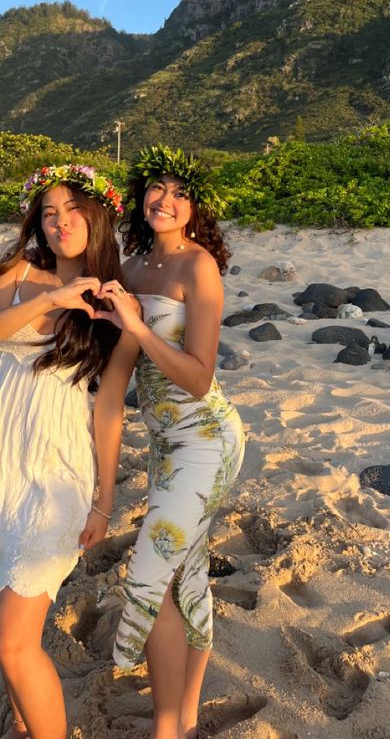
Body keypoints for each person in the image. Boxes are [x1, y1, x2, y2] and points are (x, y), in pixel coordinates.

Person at [0, 164, 138, 739]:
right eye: (49, 211)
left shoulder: (115, 303)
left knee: (13, 640)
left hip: (55, 468)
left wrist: (104, 502)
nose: (60, 222)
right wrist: (54, 296)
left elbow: (110, 409)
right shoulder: (18, 272)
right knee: (6, 627)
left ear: (98, 215)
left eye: (73, 209)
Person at [95, 146, 245, 739]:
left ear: (194, 209)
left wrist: (135, 326)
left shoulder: (197, 267)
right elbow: (119, 367)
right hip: (164, 446)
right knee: (187, 573)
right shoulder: (131, 270)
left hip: (208, 437)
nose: (165, 200)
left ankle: (165, 730)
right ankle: (184, 716)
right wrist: (116, 325)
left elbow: (199, 375)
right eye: (157, 189)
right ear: (140, 198)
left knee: (150, 575)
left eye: (180, 193)